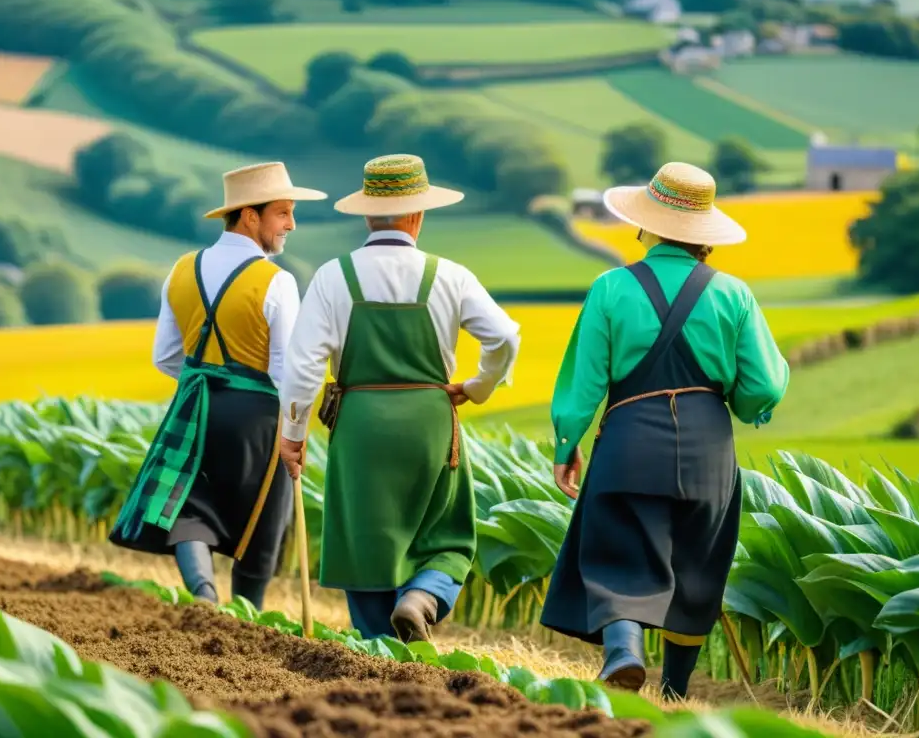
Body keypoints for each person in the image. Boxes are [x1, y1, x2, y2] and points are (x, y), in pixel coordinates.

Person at [539, 162, 789, 699]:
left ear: (646, 224)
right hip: (708, 447)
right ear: (705, 233)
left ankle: (625, 653)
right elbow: (764, 386)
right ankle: (675, 691)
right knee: (698, 562)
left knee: (619, 549)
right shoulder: (734, 295)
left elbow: (582, 384)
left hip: (629, 439)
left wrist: (568, 442)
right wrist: (745, 406)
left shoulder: (610, 288)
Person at [278, 153, 520, 643]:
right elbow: (504, 337)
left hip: (360, 424)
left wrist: (293, 434)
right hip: (431, 421)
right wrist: (477, 387)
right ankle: (423, 596)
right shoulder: (449, 275)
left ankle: (376, 654)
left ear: (367, 214)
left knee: (366, 542)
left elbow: (302, 366)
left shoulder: (331, 276)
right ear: (418, 215)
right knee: (445, 534)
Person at [109, 162, 327, 613]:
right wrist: (296, 432)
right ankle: (247, 617)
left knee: (191, 505)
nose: (291, 224)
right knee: (262, 522)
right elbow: (289, 368)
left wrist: (206, 382)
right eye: (283, 213)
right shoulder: (277, 281)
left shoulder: (182, 269)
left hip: (196, 407)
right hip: (258, 418)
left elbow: (165, 356)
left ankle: (204, 596)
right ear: (250, 216)